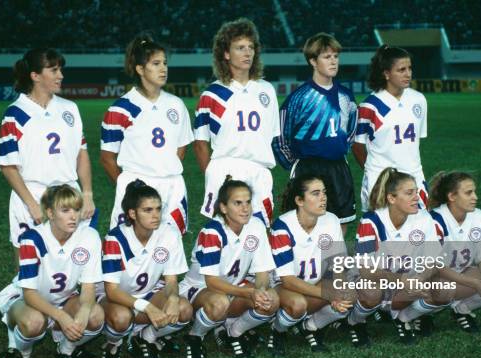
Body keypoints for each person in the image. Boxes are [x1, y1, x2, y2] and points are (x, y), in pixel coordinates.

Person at [346, 168, 481, 345]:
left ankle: (402, 318)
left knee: (443, 289)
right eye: (409, 193)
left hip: (405, 280)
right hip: (376, 280)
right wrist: (402, 280)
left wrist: (420, 278)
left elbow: (434, 260)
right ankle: (355, 322)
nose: (417, 197)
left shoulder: (424, 219)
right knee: (371, 292)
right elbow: (366, 271)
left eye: (417, 192)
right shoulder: (370, 221)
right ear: (392, 198)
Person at [0, 185, 103, 358]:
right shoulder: (32, 239)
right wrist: (62, 317)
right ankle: (22, 355)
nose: (73, 216)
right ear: (50, 213)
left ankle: (65, 351)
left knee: (95, 315)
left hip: (64, 298)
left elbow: (88, 288)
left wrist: (84, 311)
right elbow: (29, 294)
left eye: (77, 209)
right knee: (34, 322)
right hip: (28, 300)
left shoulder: (89, 237)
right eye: (65, 210)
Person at [0, 48, 95, 262]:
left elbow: (82, 154)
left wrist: (87, 194)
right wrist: (31, 203)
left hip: (70, 194)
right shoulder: (15, 114)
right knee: (29, 270)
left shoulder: (70, 109)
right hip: (32, 194)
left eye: (60, 69)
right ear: (35, 76)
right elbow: (8, 166)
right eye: (53, 70)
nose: (60, 75)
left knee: (74, 265)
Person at [101, 34, 193, 234]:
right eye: (156, 63)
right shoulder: (120, 109)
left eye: (165, 63)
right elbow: (107, 158)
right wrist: (132, 190)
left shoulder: (176, 105)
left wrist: (165, 170)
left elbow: (181, 148)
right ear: (140, 69)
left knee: (170, 249)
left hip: (172, 186)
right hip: (136, 185)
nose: (163, 68)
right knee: (128, 248)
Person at [179, 178, 279, 358]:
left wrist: (261, 290)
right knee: (219, 303)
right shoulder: (212, 232)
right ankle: (195, 336)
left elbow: (262, 272)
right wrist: (249, 292)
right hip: (199, 289)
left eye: (248, 202)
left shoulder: (256, 226)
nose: (245, 208)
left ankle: (235, 331)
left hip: (234, 287)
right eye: (238, 203)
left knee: (271, 300)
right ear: (224, 208)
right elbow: (212, 282)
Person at [193, 18, 279, 226]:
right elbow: (200, 144)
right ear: (226, 53)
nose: (248, 52)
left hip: (259, 170)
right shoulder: (212, 95)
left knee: (260, 233)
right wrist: (212, 175)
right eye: (240, 48)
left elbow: (273, 137)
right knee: (222, 234)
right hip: (225, 169)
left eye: (251, 47)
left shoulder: (266, 90)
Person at [100, 180, 193, 358]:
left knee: (183, 309)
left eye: (158, 209)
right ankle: (112, 344)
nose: (155, 215)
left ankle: (146, 337)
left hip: (149, 292)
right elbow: (112, 291)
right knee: (121, 318)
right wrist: (148, 308)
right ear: (132, 213)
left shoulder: (169, 233)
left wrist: (174, 299)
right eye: (148, 210)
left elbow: (171, 280)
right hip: (116, 298)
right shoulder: (115, 238)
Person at [273, 33, 358, 234]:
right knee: (306, 224)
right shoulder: (298, 98)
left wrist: (340, 149)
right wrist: (294, 164)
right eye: (327, 57)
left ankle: (330, 264)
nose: (333, 61)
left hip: (338, 166)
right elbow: (279, 137)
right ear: (313, 61)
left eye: (336, 56)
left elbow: (351, 131)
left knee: (340, 223)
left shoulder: (346, 96)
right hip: (308, 168)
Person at [267, 174, 352, 356]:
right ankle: (278, 330)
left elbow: (337, 265)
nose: (323, 198)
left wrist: (337, 289)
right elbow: (287, 280)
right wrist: (328, 295)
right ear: (299, 200)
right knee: (298, 305)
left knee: (348, 294)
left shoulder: (331, 220)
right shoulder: (283, 226)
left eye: (324, 192)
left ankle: (310, 326)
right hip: (282, 287)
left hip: (315, 282)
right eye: (315, 193)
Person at [429, 171, 481, 333]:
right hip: (429, 278)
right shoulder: (434, 219)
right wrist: (475, 283)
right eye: (468, 193)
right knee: (443, 290)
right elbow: (435, 267)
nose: (475, 197)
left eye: (474, 191)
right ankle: (418, 314)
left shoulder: (478, 216)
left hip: (459, 273)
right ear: (452, 196)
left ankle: (461, 309)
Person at [352, 45, 429, 211]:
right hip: (381, 181)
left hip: (414, 176)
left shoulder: (419, 100)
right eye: (401, 70)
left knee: (419, 231)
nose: (408, 73)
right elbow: (357, 146)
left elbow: (415, 142)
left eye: (409, 68)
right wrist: (375, 173)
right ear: (386, 73)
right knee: (381, 232)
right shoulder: (370, 106)